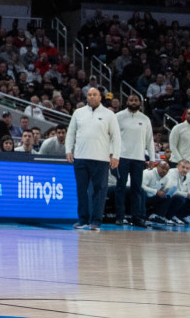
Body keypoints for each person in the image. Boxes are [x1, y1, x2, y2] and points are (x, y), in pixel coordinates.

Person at [65, 86, 121, 231]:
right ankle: (82, 219)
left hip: (101, 159)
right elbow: (70, 133)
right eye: (89, 95)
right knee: (81, 190)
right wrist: (68, 150)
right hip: (81, 157)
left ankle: (96, 221)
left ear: (100, 97)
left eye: (94, 94)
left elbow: (116, 137)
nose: (91, 97)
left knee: (99, 191)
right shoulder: (78, 113)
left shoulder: (109, 115)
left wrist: (116, 156)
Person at [114, 93, 154, 227]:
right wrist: (112, 154)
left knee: (137, 188)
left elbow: (150, 140)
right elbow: (111, 136)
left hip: (138, 158)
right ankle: (120, 216)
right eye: (131, 100)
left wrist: (152, 158)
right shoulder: (118, 116)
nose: (133, 102)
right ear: (127, 101)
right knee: (120, 187)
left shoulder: (145, 119)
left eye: (136, 100)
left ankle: (137, 218)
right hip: (122, 157)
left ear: (140, 103)